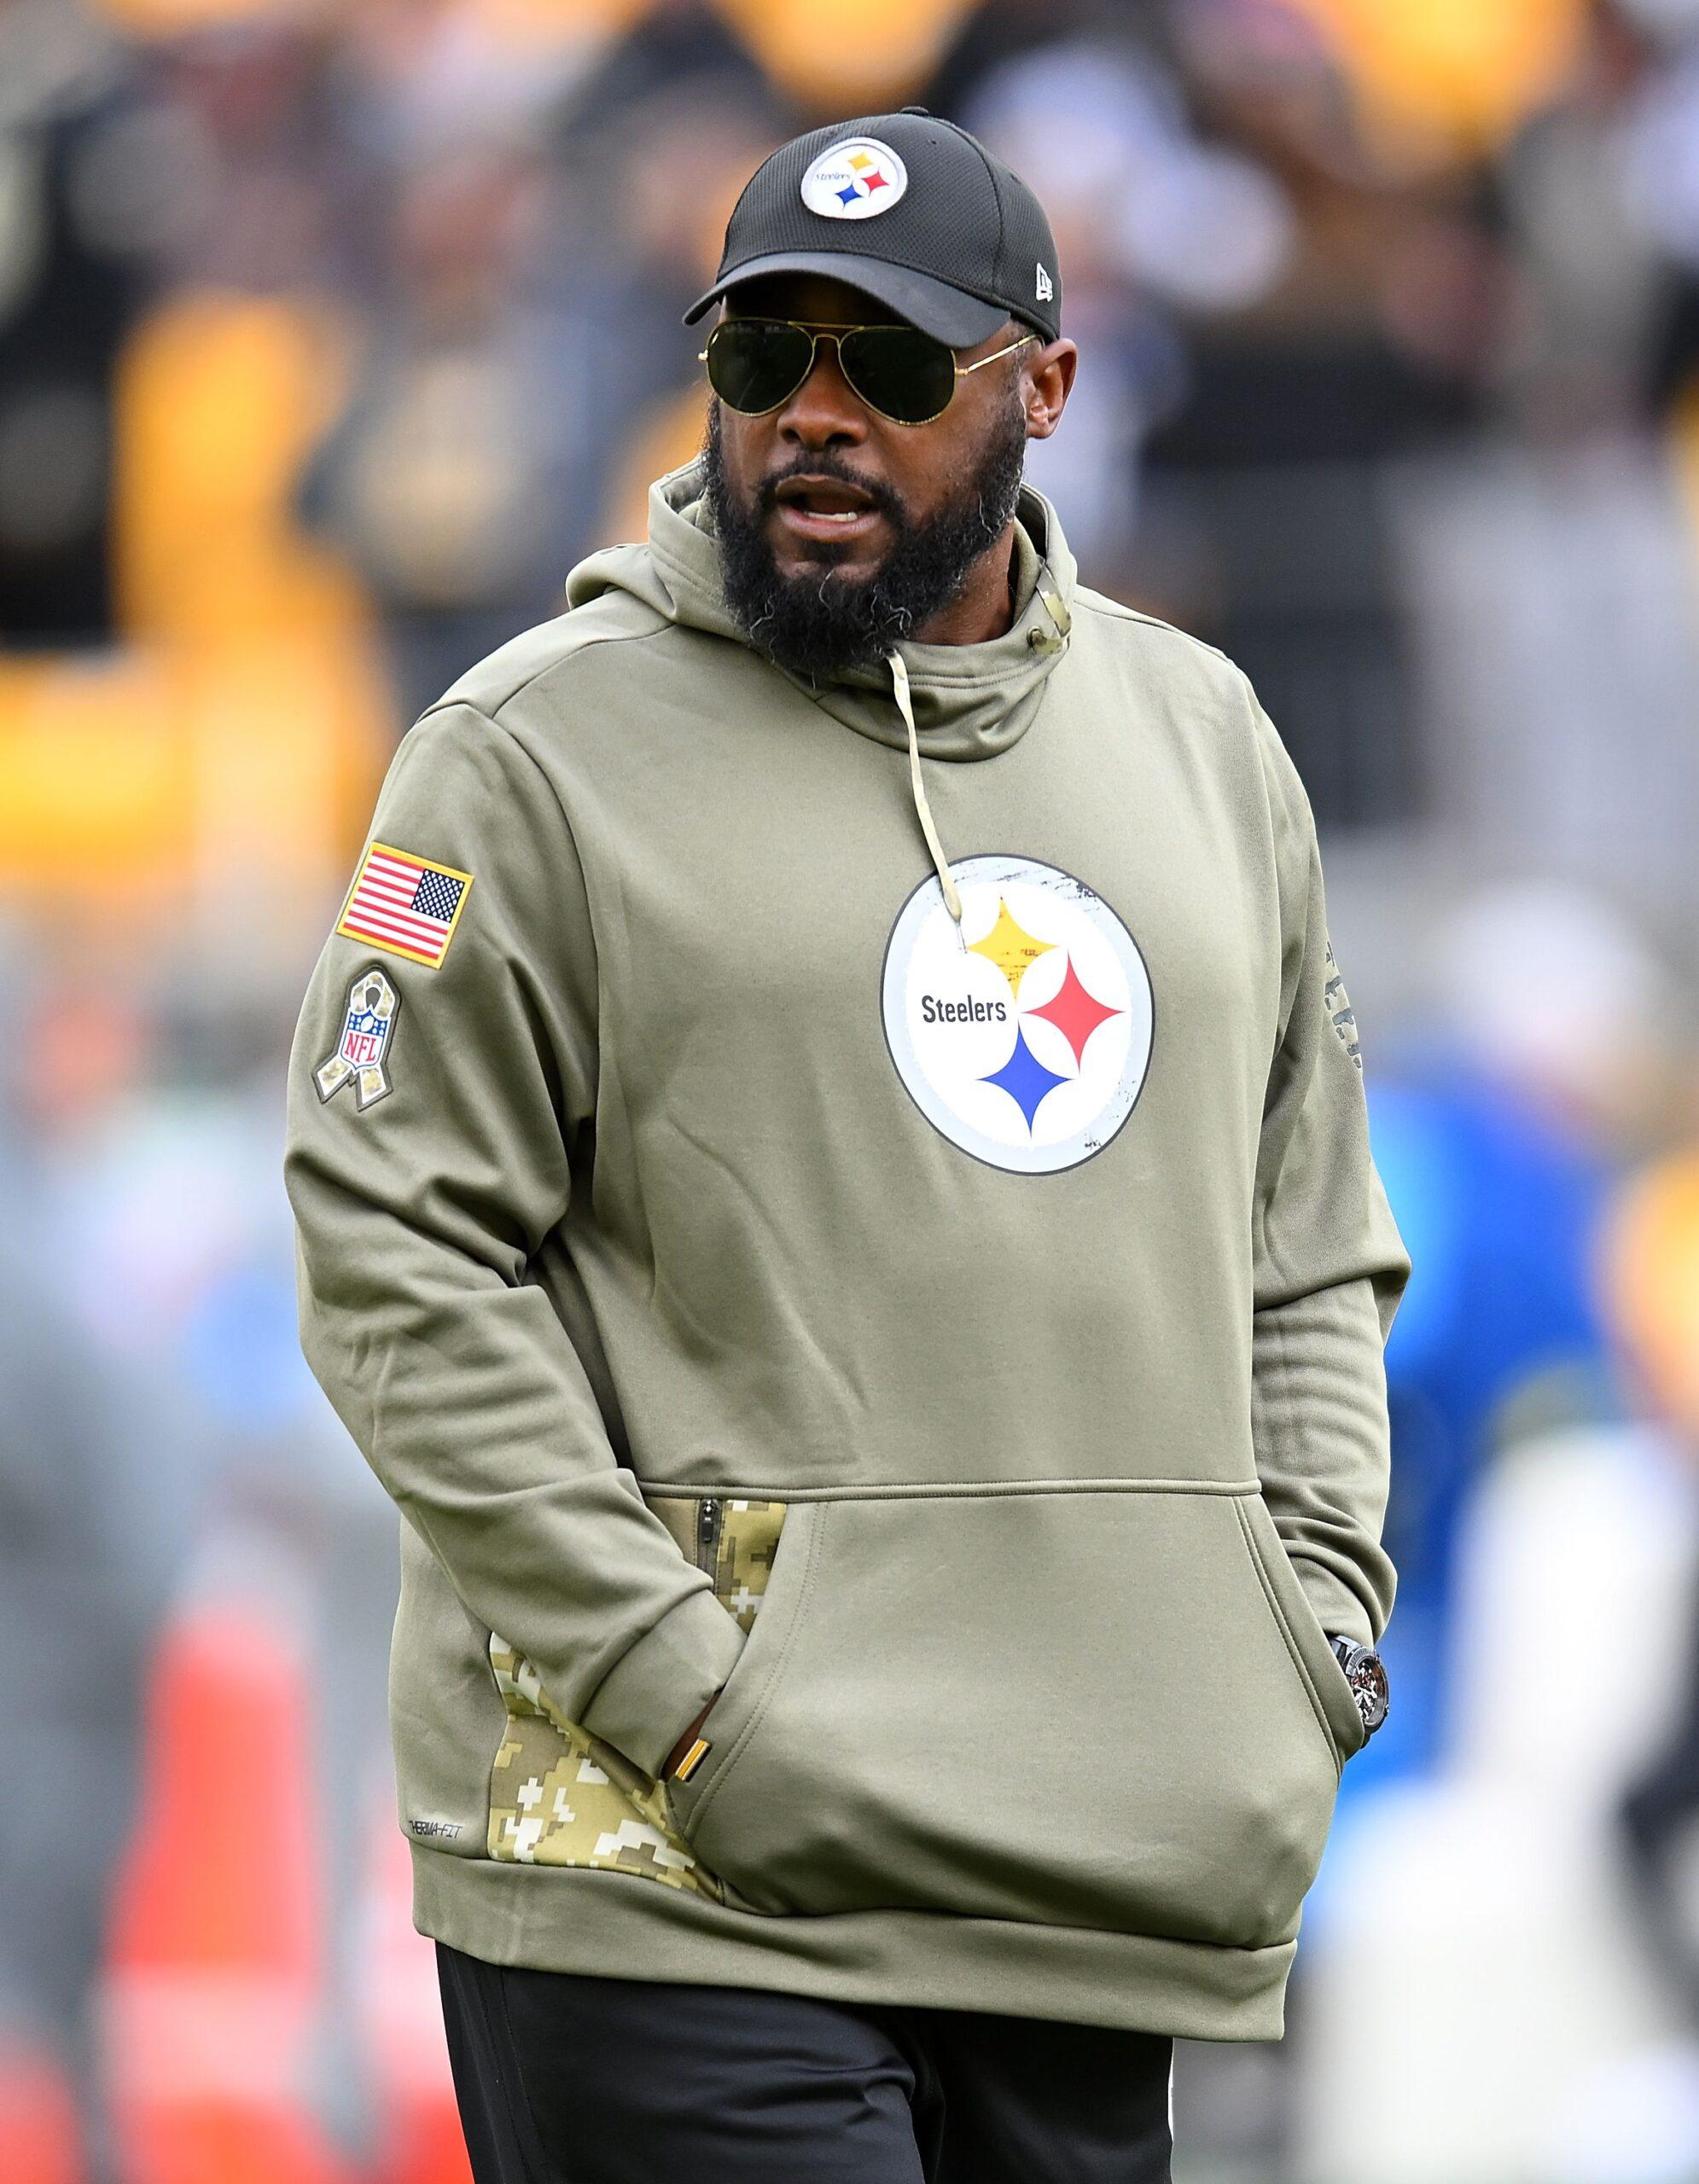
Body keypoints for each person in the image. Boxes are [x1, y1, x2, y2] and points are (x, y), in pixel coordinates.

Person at [284, 107, 1408, 2184]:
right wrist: (679, 1686)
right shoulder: (526, 754)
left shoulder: (1209, 745)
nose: (813, 412)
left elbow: (1312, 1244)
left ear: (1043, 389)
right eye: (759, 354)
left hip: (1097, 1860)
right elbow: (390, 1251)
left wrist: (1310, 1625)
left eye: (886, 361)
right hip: (666, 1868)